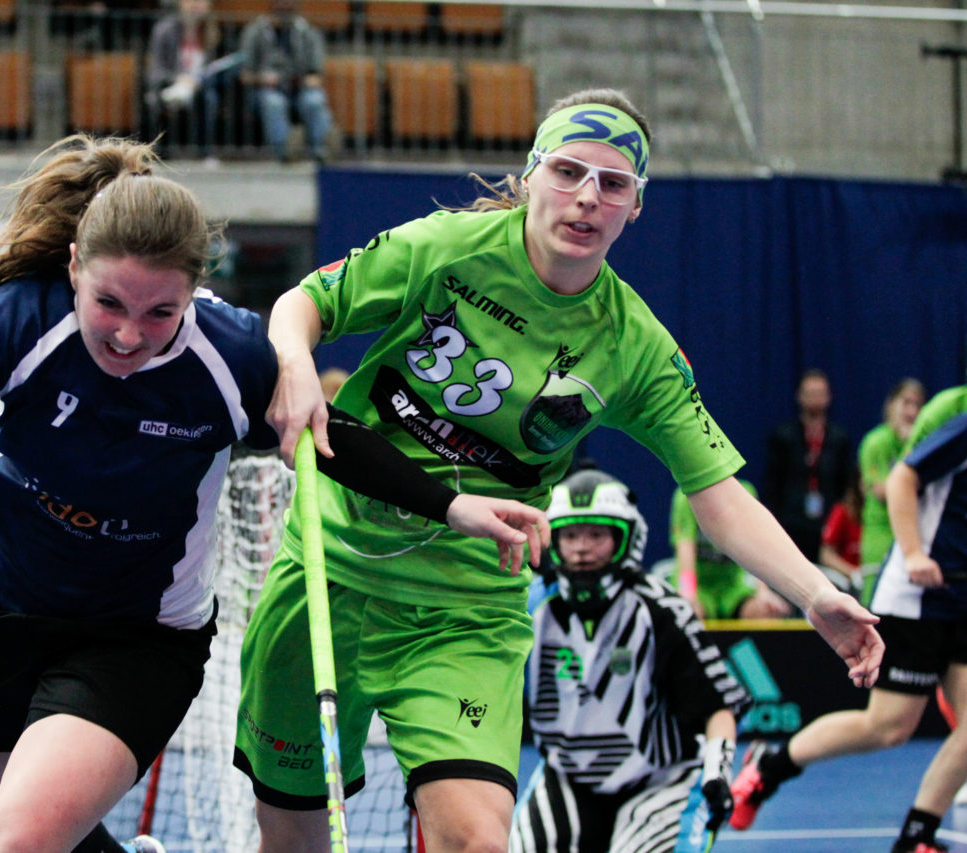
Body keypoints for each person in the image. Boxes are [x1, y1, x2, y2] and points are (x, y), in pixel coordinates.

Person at [0, 134, 545, 853]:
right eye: (109, 303)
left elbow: (329, 437)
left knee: (11, 843)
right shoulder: (16, 324)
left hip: (135, 637)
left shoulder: (228, 357)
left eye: (160, 312)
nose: (130, 335)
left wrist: (452, 505)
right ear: (74, 267)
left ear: (194, 295)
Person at [235, 87, 884, 853]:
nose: (587, 198)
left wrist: (815, 594)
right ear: (533, 172)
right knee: (294, 843)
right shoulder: (446, 249)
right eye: (570, 171)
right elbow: (302, 303)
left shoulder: (636, 346)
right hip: (329, 571)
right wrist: (295, 360)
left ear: (635, 206)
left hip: (467, 608)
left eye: (614, 183)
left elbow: (717, 494)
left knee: (477, 840)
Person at [731, 410, 967, 853]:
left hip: (961, 597)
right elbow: (902, 478)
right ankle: (770, 767)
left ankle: (918, 836)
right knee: (888, 727)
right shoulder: (963, 425)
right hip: (919, 597)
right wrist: (914, 553)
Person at [511, 469, 749, 853]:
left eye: (596, 535)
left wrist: (716, 776)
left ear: (625, 539)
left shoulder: (661, 609)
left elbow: (716, 707)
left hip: (661, 780)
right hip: (568, 777)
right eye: (570, 536)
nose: (582, 548)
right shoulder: (529, 604)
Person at [763, 369, 853, 564]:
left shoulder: (839, 439)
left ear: (828, 397)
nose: (815, 399)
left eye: (819, 393)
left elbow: (845, 486)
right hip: (791, 523)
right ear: (799, 396)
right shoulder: (783, 436)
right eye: (810, 393)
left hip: (828, 524)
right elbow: (773, 485)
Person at [669, 478, 792, 620]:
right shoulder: (685, 496)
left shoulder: (745, 492)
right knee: (689, 613)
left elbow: (754, 548)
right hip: (700, 587)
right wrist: (688, 593)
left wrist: (762, 591)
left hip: (733, 587)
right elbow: (685, 551)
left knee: (765, 611)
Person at [857, 378, 926, 601]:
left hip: (914, 536)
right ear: (891, 405)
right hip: (880, 537)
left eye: (917, 405)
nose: (911, 411)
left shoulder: (924, 443)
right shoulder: (875, 442)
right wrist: (910, 448)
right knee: (875, 606)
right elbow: (883, 492)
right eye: (906, 403)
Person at [238, 0, 332, 163]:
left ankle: (321, 149)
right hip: (266, 90)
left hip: (300, 89)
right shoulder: (254, 32)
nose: (285, 4)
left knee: (315, 100)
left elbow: (317, 75)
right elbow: (245, 75)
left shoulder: (308, 32)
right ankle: (285, 151)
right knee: (274, 102)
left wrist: (307, 80)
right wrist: (263, 78)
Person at [145, 0, 227, 161]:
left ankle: (205, 152)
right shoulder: (165, 30)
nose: (196, 5)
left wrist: (198, 81)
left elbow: (215, 67)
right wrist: (178, 78)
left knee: (209, 98)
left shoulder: (213, 32)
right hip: (168, 85)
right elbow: (156, 71)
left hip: (200, 87)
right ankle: (162, 152)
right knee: (168, 100)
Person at [818, 464, 864, 592]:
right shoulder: (842, 511)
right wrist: (852, 573)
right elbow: (826, 555)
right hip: (849, 586)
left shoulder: (889, 513)